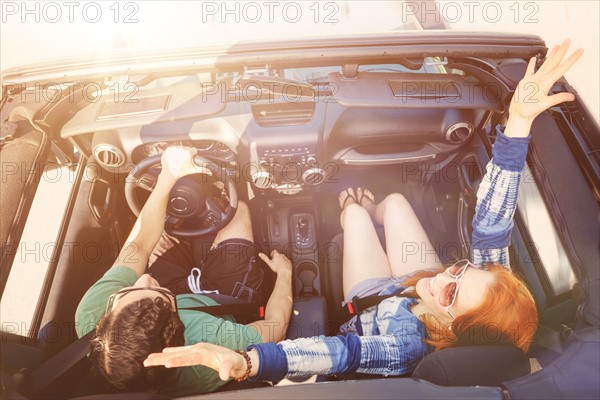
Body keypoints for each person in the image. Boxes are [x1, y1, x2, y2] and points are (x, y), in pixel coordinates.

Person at [143, 40, 583, 382]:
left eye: (453, 292)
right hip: (412, 286)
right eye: (460, 270)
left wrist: (247, 362)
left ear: (454, 330)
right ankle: (378, 209)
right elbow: (492, 225)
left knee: (351, 212)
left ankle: (359, 211)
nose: (447, 276)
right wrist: (520, 122)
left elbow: (341, 354)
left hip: (373, 296)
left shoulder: (409, 348)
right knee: (395, 203)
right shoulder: (473, 290)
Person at [74, 146, 293, 396]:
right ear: (179, 323)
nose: (145, 277)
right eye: (156, 292)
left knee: (166, 224)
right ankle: (220, 195)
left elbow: (139, 246)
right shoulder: (208, 345)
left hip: (174, 292)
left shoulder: (91, 315)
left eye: (127, 292)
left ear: (108, 319)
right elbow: (275, 329)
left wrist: (169, 176)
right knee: (238, 211)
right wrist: (284, 274)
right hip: (220, 302)